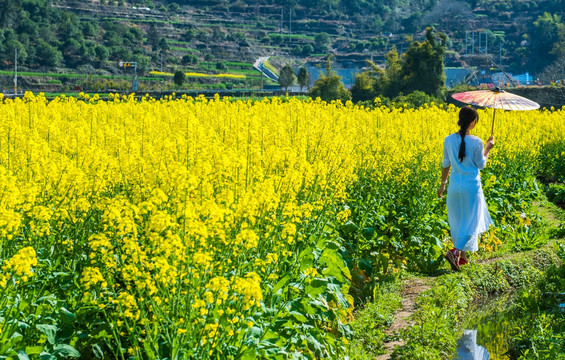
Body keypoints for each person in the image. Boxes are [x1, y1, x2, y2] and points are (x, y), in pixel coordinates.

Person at [438, 106, 495, 271]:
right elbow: (481, 164)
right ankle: (455, 252)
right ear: (473, 122)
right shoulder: (477, 141)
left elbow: (445, 164)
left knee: (459, 220)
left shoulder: (448, 139)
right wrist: (488, 148)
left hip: (454, 187)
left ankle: (462, 258)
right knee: (472, 222)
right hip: (471, 188)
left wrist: (443, 185)